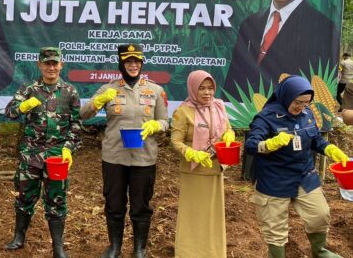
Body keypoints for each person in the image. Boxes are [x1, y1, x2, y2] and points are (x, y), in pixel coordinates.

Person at [79, 44, 169, 258]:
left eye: (137, 61)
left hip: (144, 157)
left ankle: (139, 249)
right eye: (129, 61)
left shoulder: (155, 90)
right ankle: (114, 247)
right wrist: (98, 101)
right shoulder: (109, 89)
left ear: (141, 64)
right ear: (121, 64)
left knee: (141, 205)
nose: (133, 65)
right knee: (114, 203)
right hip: (114, 157)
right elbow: (83, 114)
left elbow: (165, 121)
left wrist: (158, 126)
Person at [245, 75, 349, 258]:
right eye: (298, 102)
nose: (301, 107)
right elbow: (251, 145)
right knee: (275, 228)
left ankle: (319, 251)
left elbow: (315, 139)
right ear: (286, 96)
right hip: (274, 179)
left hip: (304, 175)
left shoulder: (307, 114)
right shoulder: (266, 117)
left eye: (306, 103)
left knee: (320, 215)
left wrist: (331, 149)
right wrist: (269, 144)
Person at [3, 47, 81, 258]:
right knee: (24, 196)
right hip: (31, 154)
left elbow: (76, 125)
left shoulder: (70, 91)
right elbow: (9, 112)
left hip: (57, 156)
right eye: (47, 63)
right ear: (39, 65)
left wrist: (68, 148)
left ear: (61, 65)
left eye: (55, 63)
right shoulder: (29, 88)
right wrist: (23, 106)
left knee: (57, 199)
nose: (51, 67)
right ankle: (19, 237)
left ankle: (58, 246)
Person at [170, 70, 236, 258]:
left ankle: (213, 253)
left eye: (210, 88)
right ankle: (188, 253)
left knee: (212, 216)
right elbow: (175, 141)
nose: (207, 93)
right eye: (202, 89)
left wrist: (229, 135)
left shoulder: (219, 106)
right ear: (192, 89)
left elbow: (228, 129)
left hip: (215, 170)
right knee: (193, 215)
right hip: (194, 172)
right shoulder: (183, 111)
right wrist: (191, 153)